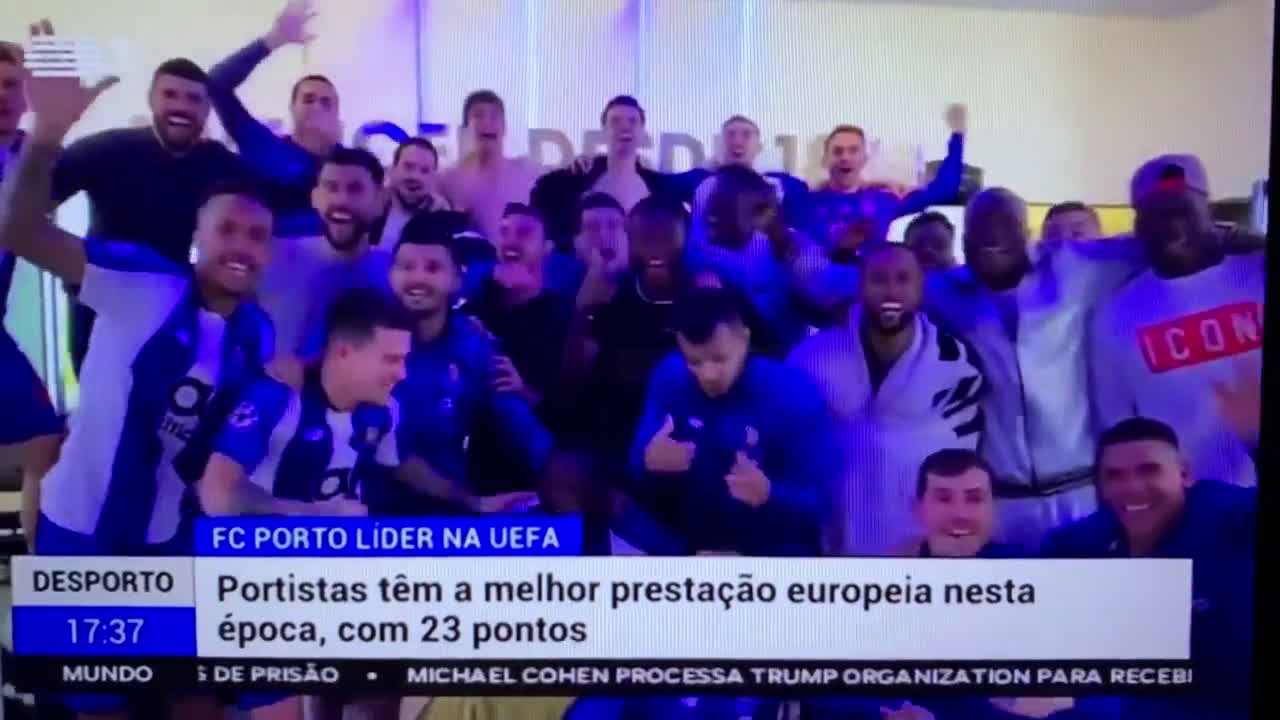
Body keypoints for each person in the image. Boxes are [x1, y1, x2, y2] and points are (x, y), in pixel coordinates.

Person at [1, 67, 277, 720]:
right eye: (227, 230)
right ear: (196, 237)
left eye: (257, 237)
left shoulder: (256, 336)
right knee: (102, 708)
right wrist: (47, 137)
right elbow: (19, 232)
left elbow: (220, 462)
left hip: (166, 540)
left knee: (197, 698)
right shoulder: (139, 281)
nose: (242, 247)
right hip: (81, 533)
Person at [926, 182, 1263, 549]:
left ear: (1027, 233)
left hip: (1083, 493)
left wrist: (1237, 237)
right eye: (979, 229)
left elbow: (1154, 240)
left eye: (1004, 224)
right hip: (1003, 499)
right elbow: (891, 281)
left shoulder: (1075, 268)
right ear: (964, 241)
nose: (992, 237)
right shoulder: (944, 293)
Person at [41, 24, 245, 376]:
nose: (181, 106)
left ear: (208, 109)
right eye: (170, 95)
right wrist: (46, 131)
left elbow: (269, 205)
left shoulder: (221, 165)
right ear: (151, 99)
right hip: (99, 307)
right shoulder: (107, 150)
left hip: (171, 310)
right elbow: (30, 205)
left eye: (194, 99)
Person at [1042, 416, 1255, 720]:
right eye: (1115, 476)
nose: (1132, 488)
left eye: (1149, 470)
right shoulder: (1082, 541)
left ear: (1184, 474)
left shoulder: (1228, 515)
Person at [788, 243, 986, 555]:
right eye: (879, 279)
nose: (891, 291)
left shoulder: (956, 367)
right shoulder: (811, 360)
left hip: (919, 553)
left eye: (903, 279)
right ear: (859, 284)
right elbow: (791, 455)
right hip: (832, 547)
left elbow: (964, 468)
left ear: (921, 287)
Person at [1089, 155, 1263, 488]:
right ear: (1138, 226)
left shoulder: (1258, 274)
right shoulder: (1116, 313)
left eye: (1182, 211)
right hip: (1185, 502)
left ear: (1207, 210)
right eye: (1156, 216)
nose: (1172, 226)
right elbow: (1120, 428)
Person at [625, 287, 836, 556]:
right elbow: (635, 467)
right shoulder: (670, 377)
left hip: (775, 557)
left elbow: (822, 505)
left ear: (745, 339)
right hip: (691, 551)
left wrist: (770, 495)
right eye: (694, 361)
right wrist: (648, 462)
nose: (708, 374)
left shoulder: (793, 395)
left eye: (719, 359)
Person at [378, 211, 547, 516]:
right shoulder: (368, 340)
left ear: (456, 279)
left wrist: (555, 479)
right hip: (374, 515)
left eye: (433, 267)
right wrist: (473, 503)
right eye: (406, 267)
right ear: (390, 275)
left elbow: (524, 431)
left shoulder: (475, 343)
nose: (418, 278)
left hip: (454, 514)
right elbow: (391, 454)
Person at [460, 203, 573, 492]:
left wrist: (522, 390)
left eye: (524, 233)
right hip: (466, 458)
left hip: (530, 471)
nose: (510, 241)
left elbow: (567, 413)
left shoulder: (562, 316)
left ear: (547, 248)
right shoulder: (476, 303)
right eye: (504, 232)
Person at [0, 43, 64, 548]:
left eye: (11, 85)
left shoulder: (32, 154)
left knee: (46, 440)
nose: (2, 96)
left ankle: (43, 572)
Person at [207, 0, 340, 238]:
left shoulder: (352, 166)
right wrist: (273, 39)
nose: (317, 107)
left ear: (337, 112)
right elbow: (215, 84)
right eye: (308, 99)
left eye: (326, 102)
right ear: (292, 107)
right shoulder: (265, 147)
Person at [688, 164, 856, 349]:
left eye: (723, 205)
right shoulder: (694, 258)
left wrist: (781, 242)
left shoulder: (785, 241)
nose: (713, 218)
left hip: (786, 358)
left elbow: (831, 293)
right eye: (711, 208)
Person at [255, 147, 391, 360]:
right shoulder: (268, 258)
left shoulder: (394, 274)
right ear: (315, 197)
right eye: (331, 187)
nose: (341, 200)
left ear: (380, 201)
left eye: (355, 189)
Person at [809, 106, 966, 258]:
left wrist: (958, 135)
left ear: (864, 159)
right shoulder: (806, 201)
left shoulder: (883, 200)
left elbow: (944, 190)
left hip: (872, 274)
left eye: (853, 151)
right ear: (825, 160)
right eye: (837, 151)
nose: (845, 157)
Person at [532, 95, 683, 249]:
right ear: (604, 130)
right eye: (615, 121)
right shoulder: (575, 179)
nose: (625, 127)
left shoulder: (659, 188)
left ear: (642, 131)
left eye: (632, 121)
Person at [437, 89, 542, 243]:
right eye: (479, 115)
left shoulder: (528, 172)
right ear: (465, 130)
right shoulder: (448, 179)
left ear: (504, 127)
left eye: (494, 116)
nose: (487, 122)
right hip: (473, 256)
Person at [684, 115, 812, 240]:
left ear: (759, 147)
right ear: (720, 145)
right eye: (730, 135)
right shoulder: (699, 181)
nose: (737, 141)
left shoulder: (784, 185)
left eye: (746, 135)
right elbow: (670, 186)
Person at [375, 137, 452, 248]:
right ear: (393, 170)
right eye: (408, 167)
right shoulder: (372, 210)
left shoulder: (443, 220)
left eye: (424, 171)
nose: (415, 176)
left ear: (434, 178)